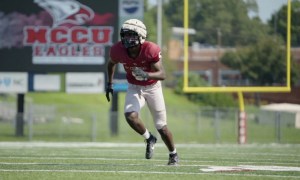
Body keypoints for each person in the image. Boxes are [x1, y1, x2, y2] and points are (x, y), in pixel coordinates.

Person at [105, 19, 179, 165]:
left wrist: (146, 74)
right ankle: (149, 138)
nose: (127, 39)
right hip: (134, 86)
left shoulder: (150, 49)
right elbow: (111, 64)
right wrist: (109, 83)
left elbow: (162, 74)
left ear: (141, 36)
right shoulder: (117, 49)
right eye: (125, 35)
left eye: (131, 35)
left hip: (153, 87)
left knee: (162, 127)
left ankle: (173, 154)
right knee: (130, 116)